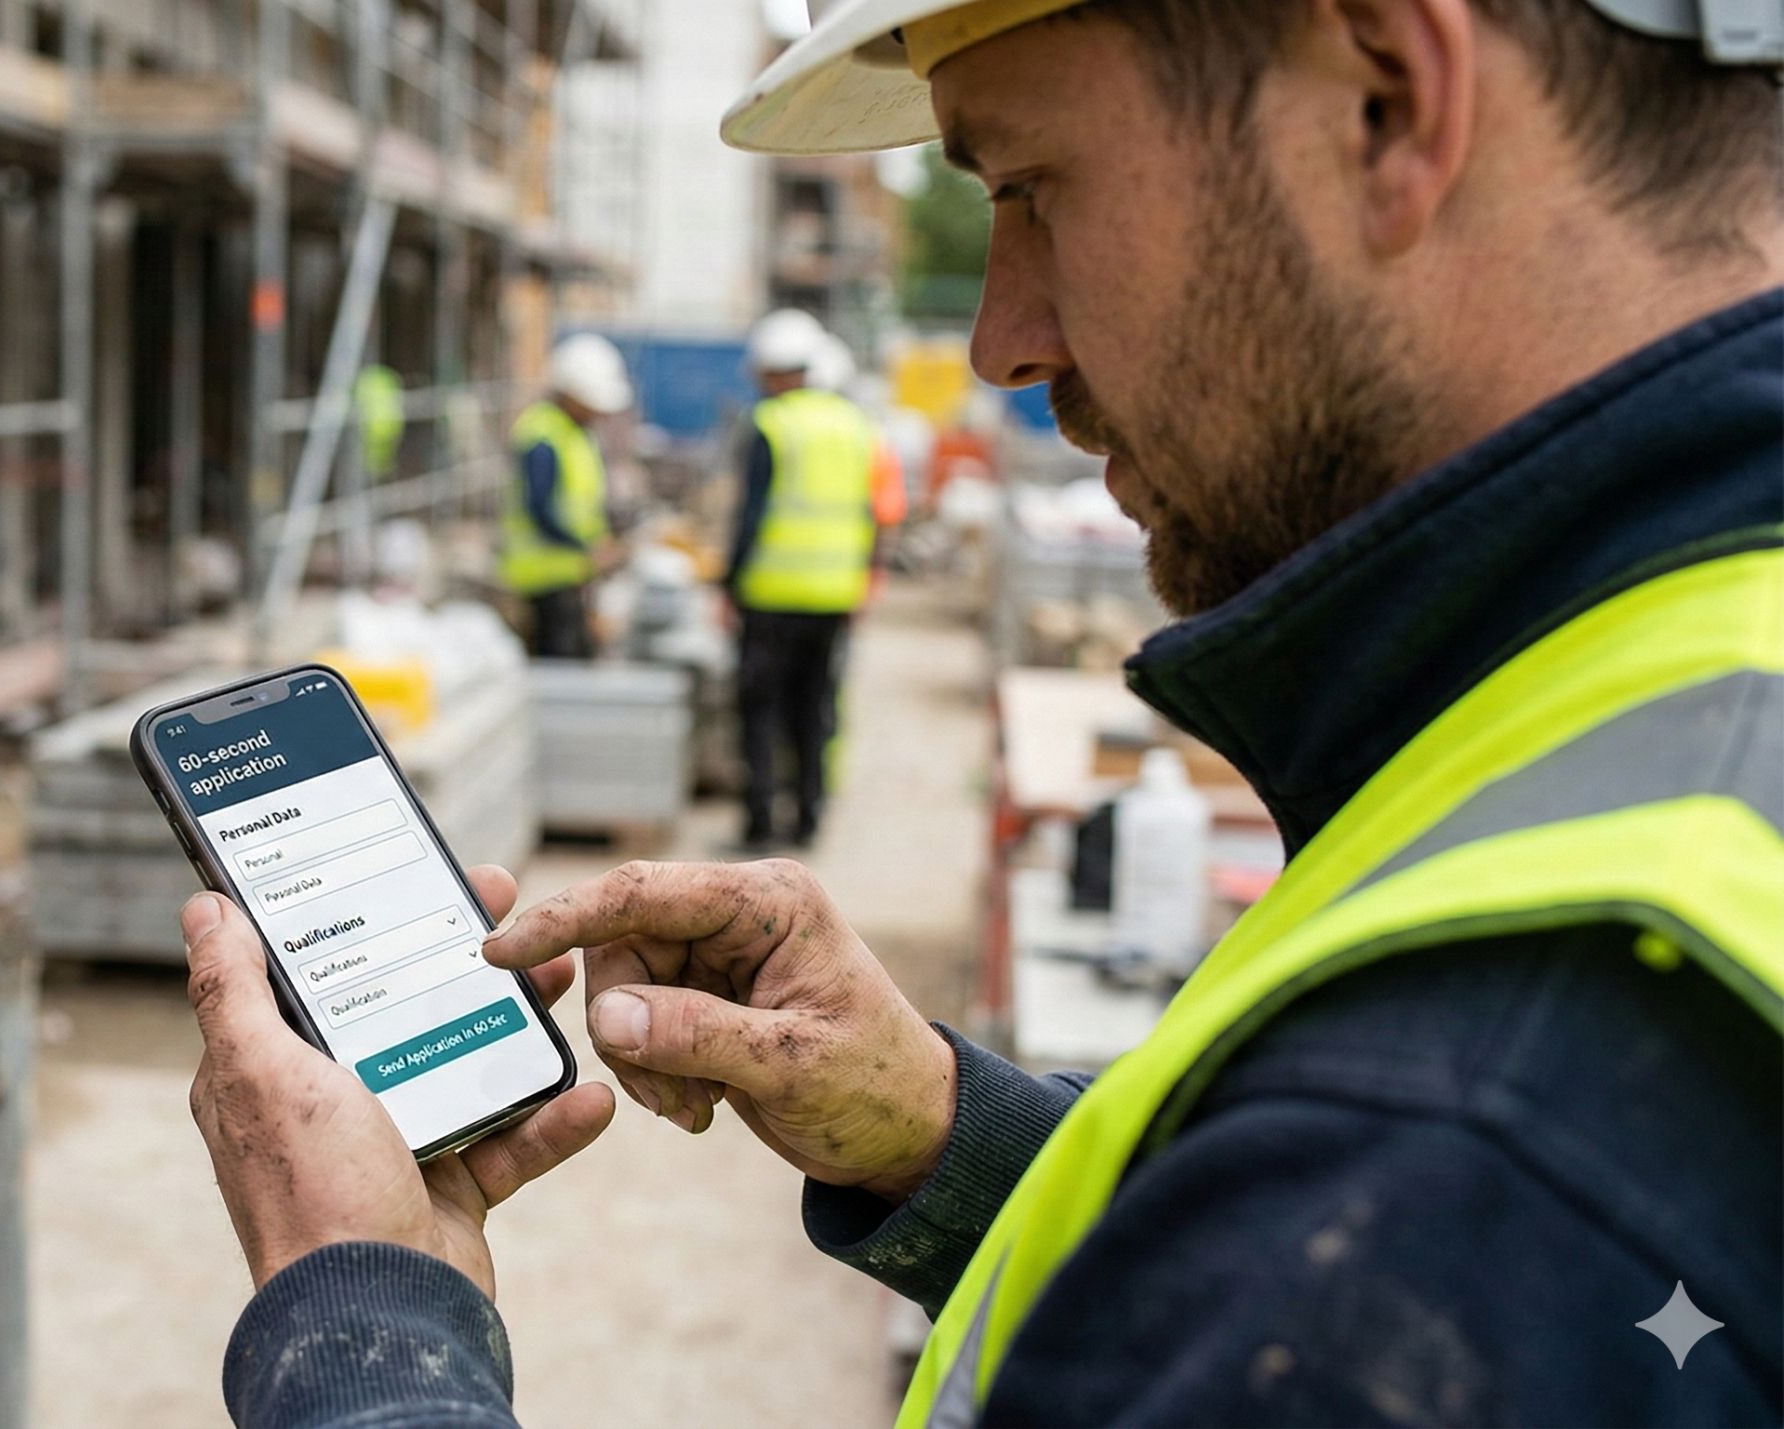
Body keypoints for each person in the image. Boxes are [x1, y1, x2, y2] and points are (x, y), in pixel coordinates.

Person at [180, 0, 1784, 1424]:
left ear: (1382, 95)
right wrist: (952, 1139)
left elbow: (1368, 1247)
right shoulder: (1675, 684)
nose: (1001, 342)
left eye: (1027, 186)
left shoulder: (1462, 1146)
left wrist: (367, 1335)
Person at [729, 309, 887, 848]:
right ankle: (809, 820)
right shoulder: (853, 424)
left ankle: (760, 823)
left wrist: (727, 583)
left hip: (771, 595)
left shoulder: (773, 424)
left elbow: (750, 515)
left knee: (761, 710)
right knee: (814, 707)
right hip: (833, 593)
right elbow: (868, 511)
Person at [499, 334, 630, 659]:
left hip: (570, 573)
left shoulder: (575, 432)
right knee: (559, 666)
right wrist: (589, 549)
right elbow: (539, 509)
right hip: (544, 576)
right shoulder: (543, 434)